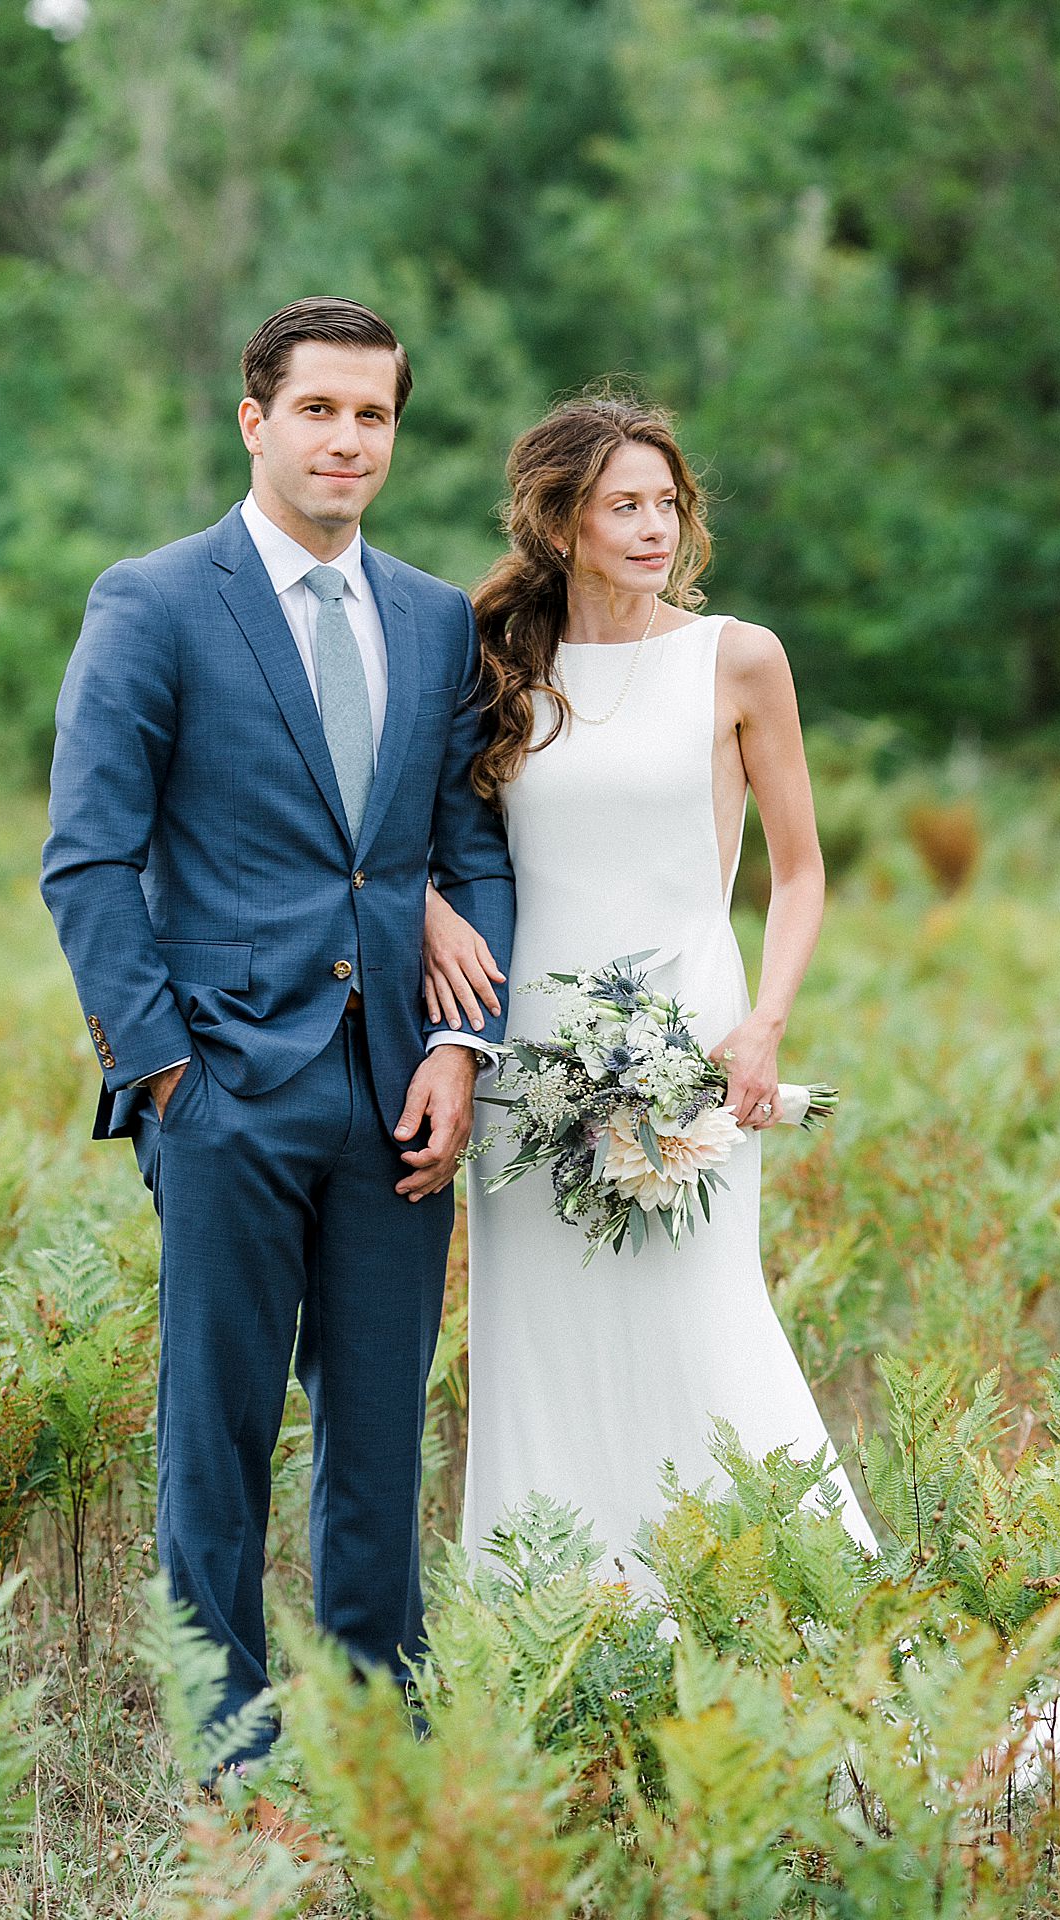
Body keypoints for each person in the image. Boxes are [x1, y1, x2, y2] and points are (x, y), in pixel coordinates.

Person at [41, 298, 515, 1784]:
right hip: (226, 1088)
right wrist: (165, 1073)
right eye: (320, 411)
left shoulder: (438, 617)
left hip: (399, 1094)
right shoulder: (156, 600)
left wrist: (462, 1051)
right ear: (256, 422)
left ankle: (383, 1743)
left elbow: (466, 851)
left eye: (373, 415)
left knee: (378, 1442)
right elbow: (88, 859)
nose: (348, 440)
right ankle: (230, 1751)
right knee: (218, 1439)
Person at [423, 394, 876, 1577]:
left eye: (664, 503)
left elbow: (801, 869)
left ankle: (783, 1621)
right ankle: (567, 1632)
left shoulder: (735, 657)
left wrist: (763, 1025)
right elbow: (411, 836)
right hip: (527, 1052)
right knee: (542, 1340)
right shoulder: (495, 661)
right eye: (622, 505)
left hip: (691, 1045)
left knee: (700, 1321)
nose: (651, 526)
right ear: (560, 522)